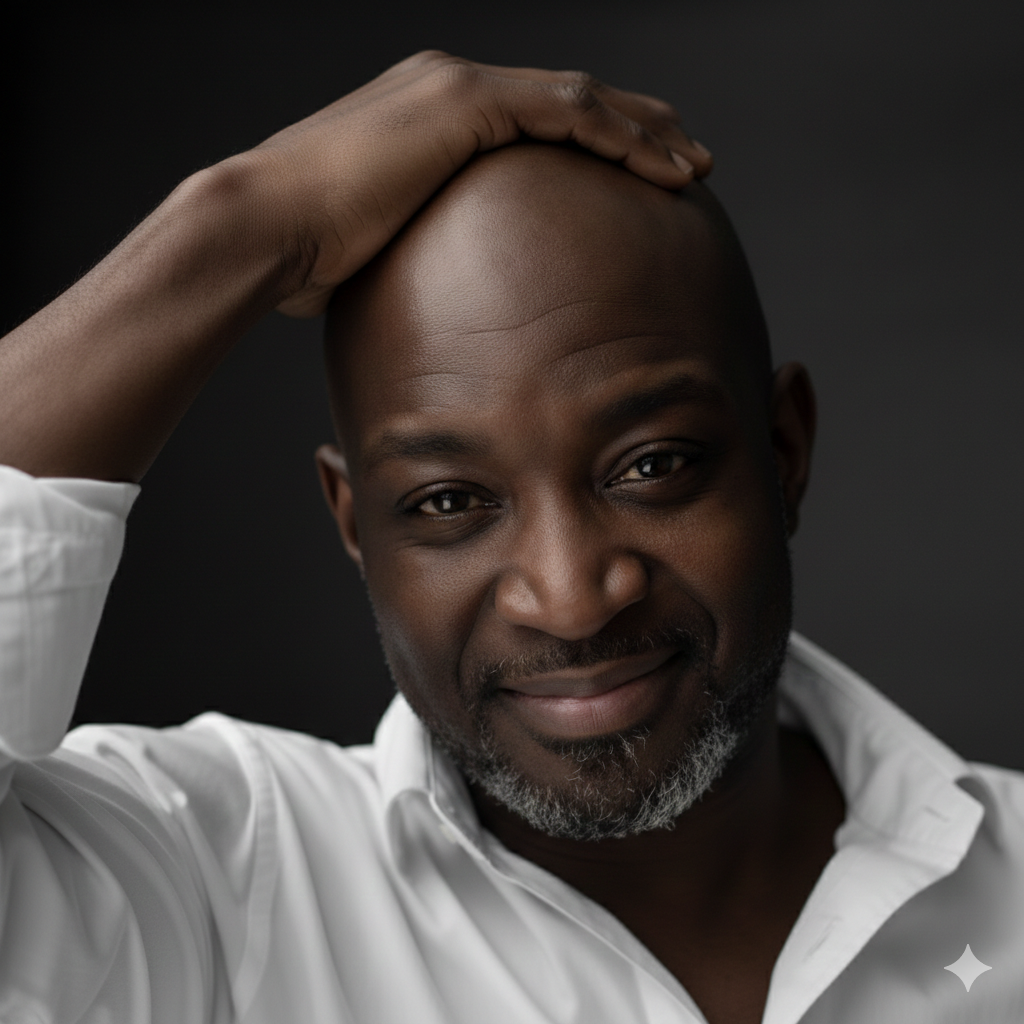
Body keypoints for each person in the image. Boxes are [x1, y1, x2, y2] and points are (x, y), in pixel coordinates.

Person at [0, 51, 1020, 1024]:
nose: (571, 598)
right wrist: (240, 219)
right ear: (354, 523)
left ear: (782, 451)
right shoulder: (211, 881)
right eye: (449, 502)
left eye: (651, 465)